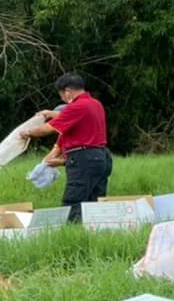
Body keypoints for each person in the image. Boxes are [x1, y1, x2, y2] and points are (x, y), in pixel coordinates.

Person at [19, 73, 111, 221]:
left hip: (83, 159)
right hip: (101, 157)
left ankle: (73, 232)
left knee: (73, 202)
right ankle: (94, 233)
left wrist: (27, 133)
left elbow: (48, 128)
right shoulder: (95, 104)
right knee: (94, 203)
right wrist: (49, 113)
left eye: (62, 95)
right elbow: (65, 116)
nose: (63, 98)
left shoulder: (77, 106)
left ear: (67, 92)